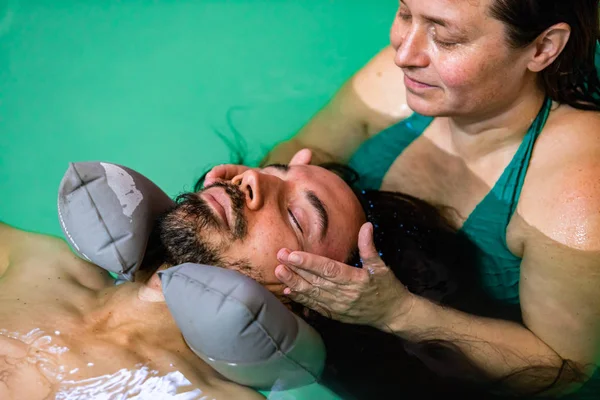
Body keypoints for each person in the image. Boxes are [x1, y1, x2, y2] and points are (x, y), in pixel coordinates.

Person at [204, 0, 600, 397]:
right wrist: (247, 191)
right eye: (406, 14)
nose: (404, 53)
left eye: (445, 37)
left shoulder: (578, 189)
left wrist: (399, 313)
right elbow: (306, 148)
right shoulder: (408, 82)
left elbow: (564, 369)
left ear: (542, 48)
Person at [0, 162, 364, 400]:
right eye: (271, 170)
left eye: (297, 218)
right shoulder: (35, 261)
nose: (250, 178)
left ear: (301, 303)